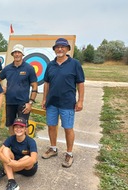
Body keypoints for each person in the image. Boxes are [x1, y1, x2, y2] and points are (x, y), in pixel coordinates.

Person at [41, 38, 85, 168]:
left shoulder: (75, 64)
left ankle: (69, 154)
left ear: (67, 49)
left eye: (63, 47)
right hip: (52, 102)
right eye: (57, 47)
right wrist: (44, 99)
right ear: (54, 49)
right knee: (51, 126)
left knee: (68, 128)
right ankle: (53, 149)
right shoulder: (50, 65)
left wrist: (80, 101)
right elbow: (46, 83)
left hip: (67, 103)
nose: (60, 49)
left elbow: (80, 83)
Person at [0, 44, 38, 135]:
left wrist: (30, 103)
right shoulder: (7, 68)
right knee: (11, 124)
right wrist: (1, 88)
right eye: (15, 52)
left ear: (22, 54)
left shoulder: (29, 68)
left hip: (23, 103)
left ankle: (24, 147)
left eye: (19, 52)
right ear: (12, 54)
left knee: (23, 125)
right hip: (10, 102)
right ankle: (12, 145)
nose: (17, 54)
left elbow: (35, 86)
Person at [0, 117, 38, 190]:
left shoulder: (31, 141)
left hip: (27, 169)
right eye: (16, 127)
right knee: (5, 150)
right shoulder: (11, 138)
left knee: (28, 158)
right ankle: (12, 182)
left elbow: (33, 159)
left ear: (25, 129)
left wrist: (17, 164)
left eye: (21, 127)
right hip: (13, 163)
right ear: (13, 128)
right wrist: (9, 162)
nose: (18, 129)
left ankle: (4, 171)